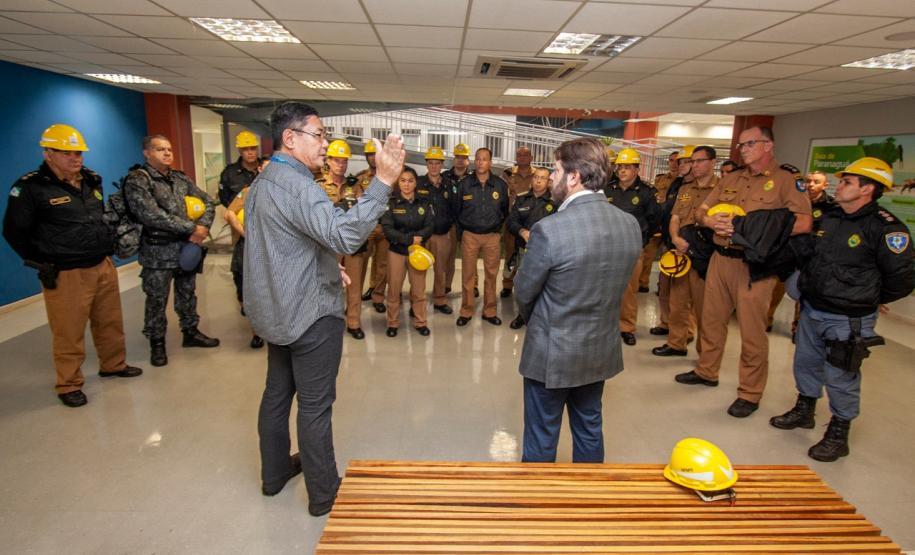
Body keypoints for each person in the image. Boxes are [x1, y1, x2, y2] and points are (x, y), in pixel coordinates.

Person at [244, 102, 404, 515]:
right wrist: (383, 181)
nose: (326, 144)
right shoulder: (300, 185)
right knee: (315, 405)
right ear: (290, 138)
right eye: (318, 135)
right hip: (309, 314)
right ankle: (323, 494)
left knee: (277, 393)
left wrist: (323, 263)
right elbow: (344, 235)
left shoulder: (265, 179)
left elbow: (282, 240)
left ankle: (275, 472)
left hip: (276, 309)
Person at [770, 157, 913, 461]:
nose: (840, 186)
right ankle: (804, 409)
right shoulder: (830, 218)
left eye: (847, 181)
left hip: (848, 319)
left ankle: (839, 432)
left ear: (867, 189)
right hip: (812, 308)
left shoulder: (886, 229)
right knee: (805, 363)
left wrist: (869, 297)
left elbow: (902, 278)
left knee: (841, 376)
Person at [515, 137, 641, 463]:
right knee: (589, 428)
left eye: (556, 171)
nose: (552, 178)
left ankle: (538, 505)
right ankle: (588, 502)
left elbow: (524, 292)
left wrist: (543, 323)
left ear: (574, 177)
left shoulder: (549, 229)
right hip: (598, 349)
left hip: (552, 354)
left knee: (542, 436)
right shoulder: (629, 224)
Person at [675, 126, 812, 418]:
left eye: (750, 144)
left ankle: (750, 392)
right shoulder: (732, 178)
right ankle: (706, 371)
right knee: (710, 321)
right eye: (741, 145)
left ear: (768, 145)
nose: (744, 149)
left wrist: (754, 227)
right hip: (720, 259)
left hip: (755, 265)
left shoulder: (786, 180)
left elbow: (803, 222)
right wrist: (711, 222)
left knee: (751, 331)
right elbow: (701, 211)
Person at [3, 124, 142, 407]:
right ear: (48, 153)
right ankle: (68, 383)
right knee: (69, 330)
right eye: (66, 153)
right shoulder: (30, 187)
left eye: (77, 152)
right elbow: (14, 231)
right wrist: (42, 262)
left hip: (101, 263)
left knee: (110, 323)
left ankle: (113, 365)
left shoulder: (91, 180)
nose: (75, 158)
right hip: (66, 271)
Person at [124, 135, 220, 367]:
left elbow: (208, 202)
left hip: (187, 248)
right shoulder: (139, 180)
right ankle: (156, 342)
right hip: (158, 250)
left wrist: (203, 228)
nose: (167, 153)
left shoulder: (179, 179)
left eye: (169, 149)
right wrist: (190, 228)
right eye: (160, 149)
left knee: (187, 292)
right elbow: (150, 214)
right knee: (157, 297)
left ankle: (190, 331)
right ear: (147, 153)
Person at [653, 146, 718, 357]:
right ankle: (676, 343)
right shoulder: (685, 189)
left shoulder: (722, 189)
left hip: (705, 257)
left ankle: (705, 357)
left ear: (713, 162)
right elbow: (675, 218)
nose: (694, 165)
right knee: (677, 302)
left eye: (699, 161)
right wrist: (675, 238)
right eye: (693, 161)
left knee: (704, 309)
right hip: (682, 252)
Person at [766, 169, 835, 335]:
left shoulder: (831, 207)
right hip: (787, 252)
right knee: (776, 288)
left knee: (804, 292)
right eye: (808, 180)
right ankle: (767, 318)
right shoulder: (792, 200)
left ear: (825, 185)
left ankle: (798, 326)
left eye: (816, 182)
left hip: (811, 255)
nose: (811, 185)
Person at [603, 148, 661, 346]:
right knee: (605, 288)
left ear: (637, 169)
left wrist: (641, 240)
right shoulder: (608, 189)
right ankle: (606, 325)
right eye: (620, 167)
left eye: (627, 167)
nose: (622, 171)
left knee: (628, 291)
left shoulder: (646, 193)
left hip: (632, 249)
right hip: (608, 248)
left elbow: (654, 220)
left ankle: (626, 327)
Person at [316, 140, 369, 340]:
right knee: (328, 285)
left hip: (352, 243)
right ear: (328, 161)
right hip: (329, 244)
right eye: (336, 160)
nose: (341, 165)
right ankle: (328, 321)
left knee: (354, 285)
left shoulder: (355, 186)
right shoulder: (318, 186)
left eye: (344, 161)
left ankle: (354, 322)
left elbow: (362, 213)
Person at [452, 147, 509, 326]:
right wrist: (463, 232)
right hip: (470, 235)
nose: (480, 162)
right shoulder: (464, 184)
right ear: (474, 161)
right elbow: (456, 210)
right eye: (477, 159)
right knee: (468, 276)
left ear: (490, 162)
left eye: (484, 159)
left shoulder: (500, 185)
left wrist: (496, 228)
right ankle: (466, 310)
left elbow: (504, 210)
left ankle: (490, 311)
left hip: (492, 236)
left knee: (491, 276)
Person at [381, 166, 434, 337]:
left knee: (419, 290)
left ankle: (420, 322)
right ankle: (393, 322)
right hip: (397, 252)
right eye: (403, 180)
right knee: (394, 290)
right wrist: (409, 239)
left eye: (410, 181)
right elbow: (388, 229)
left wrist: (419, 238)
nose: (406, 184)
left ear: (415, 183)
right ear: (398, 182)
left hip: (417, 252)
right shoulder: (391, 202)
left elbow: (430, 225)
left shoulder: (424, 202)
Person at [507, 166, 555, 329]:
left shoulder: (554, 203)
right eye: (536, 177)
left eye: (543, 178)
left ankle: (541, 318)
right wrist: (521, 231)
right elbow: (511, 222)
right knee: (523, 286)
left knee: (544, 286)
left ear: (548, 182)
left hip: (546, 253)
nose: (539, 180)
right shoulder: (521, 200)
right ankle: (522, 315)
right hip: (524, 251)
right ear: (532, 179)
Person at [416, 146, 456, 314]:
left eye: (437, 163)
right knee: (419, 271)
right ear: (427, 164)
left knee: (441, 270)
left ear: (442, 165)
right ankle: (417, 303)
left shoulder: (449, 185)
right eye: (431, 163)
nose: (434, 167)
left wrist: (448, 226)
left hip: (441, 234)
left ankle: (440, 300)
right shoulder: (418, 183)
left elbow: (455, 208)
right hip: (421, 236)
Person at [225, 185, 263, 348]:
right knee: (245, 290)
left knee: (261, 292)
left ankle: (258, 333)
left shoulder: (284, 189)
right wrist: (244, 233)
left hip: (272, 248)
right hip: (247, 247)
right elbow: (229, 213)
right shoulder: (248, 191)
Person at [639, 151, 679, 293]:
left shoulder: (685, 182)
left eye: (676, 160)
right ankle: (643, 283)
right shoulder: (660, 179)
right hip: (657, 222)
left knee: (668, 256)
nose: (673, 163)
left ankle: (663, 287)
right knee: (648, 254)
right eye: (670, 160)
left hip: (673, 224)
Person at [358, 140, 389, 312]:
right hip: (366, 229)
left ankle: (378, 296)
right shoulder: (361, 178)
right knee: (360, 264)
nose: (372, 157)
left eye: (375, 154)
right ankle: (354, 297)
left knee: (382, 264)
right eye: (369, 154)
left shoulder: (390, 178)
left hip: (384, 227)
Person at [500, 146, 535, 298]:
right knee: (509, 253)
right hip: (511, 221)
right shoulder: (507, 174)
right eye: (519, 155)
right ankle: (507, 285)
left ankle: (524, 287)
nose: (522, 157)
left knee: (528, 257)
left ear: (531, 157)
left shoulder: (537, 174)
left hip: (530, 222)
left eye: (526, 155)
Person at [442, 142, 472, 293]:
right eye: (457, 157)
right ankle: (447, 285)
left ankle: (473, 286)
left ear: (468, 160)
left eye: (463, 157)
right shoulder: (444, 177)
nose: (460, 160)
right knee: (449, 256)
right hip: (451, 224)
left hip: (469, 224)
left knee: (470, 258)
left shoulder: (473, 179)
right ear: (453, 159)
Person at [218, 131, 261, 207]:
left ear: (257, 149)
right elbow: (224, 199)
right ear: (240, 151)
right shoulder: (229, 173)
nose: (250, 152)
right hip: (238, 216)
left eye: (253, 148)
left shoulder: (267, 169)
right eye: (245, 149)